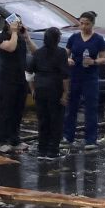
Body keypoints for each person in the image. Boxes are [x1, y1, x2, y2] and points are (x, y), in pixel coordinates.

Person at [64, 11, 105, 150]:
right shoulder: (74, 38)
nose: (83, 27)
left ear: (92, 24)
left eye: (87, 24)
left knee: (91, 108)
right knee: (72, 107)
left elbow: (104, 58)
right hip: (75, 75)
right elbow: (66, 53)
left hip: (90, 77)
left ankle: (90, 140)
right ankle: (68, 136)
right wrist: (68, 60)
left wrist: (94, 61)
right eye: (81, 23)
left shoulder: (98, 39)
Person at [0, 15, 36, 154]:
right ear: (8, 24)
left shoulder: (20, 38)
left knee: (18, 110)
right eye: (16, 23)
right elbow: (11, 48)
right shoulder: (2, 37)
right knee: (6, 109)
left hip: (20, 78)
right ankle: (2, 139)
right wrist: (13, 33)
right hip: (7, 78)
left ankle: (14, 138)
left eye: (20, 23)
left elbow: (34, 51)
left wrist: (27, 37)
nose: (18, 26)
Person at [28, 27, 70, 160]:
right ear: (57, 39)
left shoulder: (38, 53)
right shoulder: (61, 53)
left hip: (40, 89)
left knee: (43, 120)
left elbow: (29, 72)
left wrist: (33, 89)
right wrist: (65, 93)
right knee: (56, 120)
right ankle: (53, 151)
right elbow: (65, 76)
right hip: (55, 89)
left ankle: (42, 150)